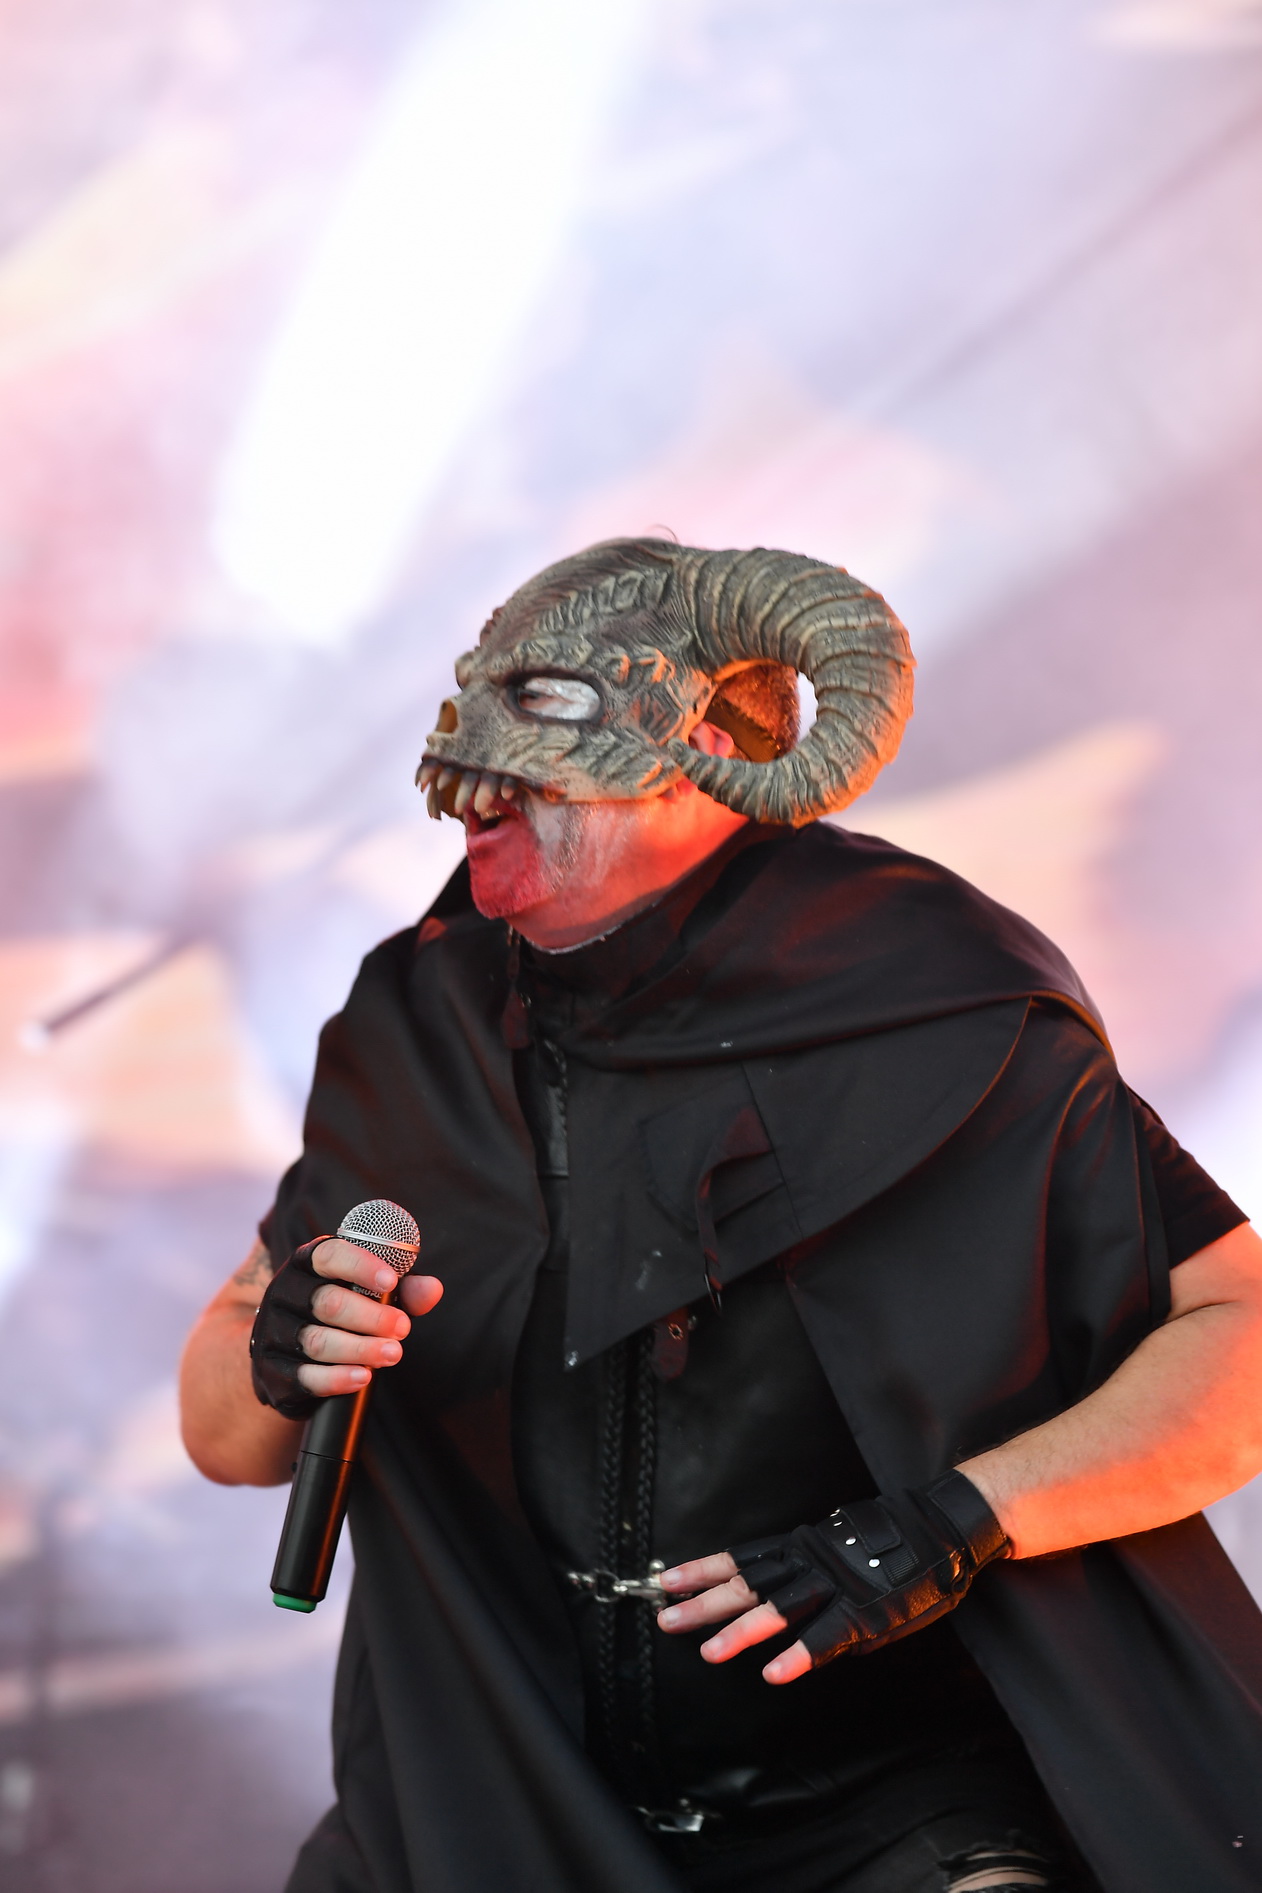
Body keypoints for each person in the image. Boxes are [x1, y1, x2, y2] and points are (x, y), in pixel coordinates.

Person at [180, 540, 1262, 1893]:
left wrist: (957, 1520)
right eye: (470, 694)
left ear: (697, 742)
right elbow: (225, 1434)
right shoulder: (417, 1019)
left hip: (883, 1810)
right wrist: (282, 1349)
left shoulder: (937, 1005)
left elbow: (1238, 1332)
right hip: (492, 1788)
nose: (468, 756)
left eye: (544, 701)